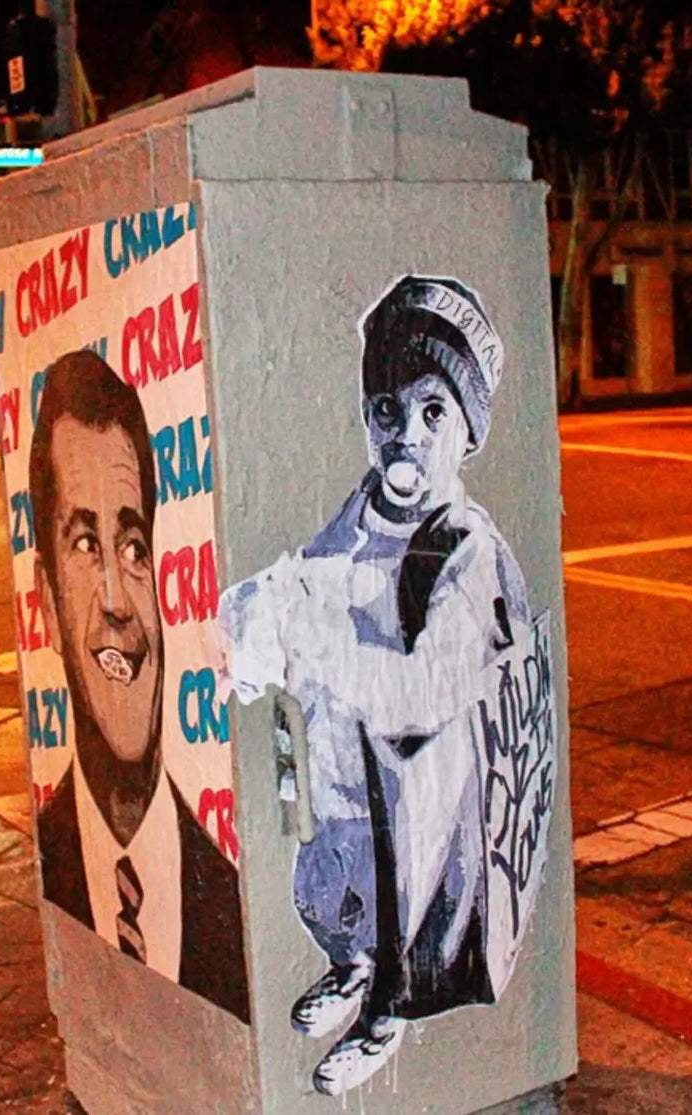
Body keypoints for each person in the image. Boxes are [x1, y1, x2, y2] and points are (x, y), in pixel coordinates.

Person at [221, 276, 534, 1095]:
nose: (407, 439)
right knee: (326, 878)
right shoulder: (365, 510)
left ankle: (388, 1007)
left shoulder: (467, 549)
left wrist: (320, 638)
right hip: (344, 774)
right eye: (387, 412)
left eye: (435, 414)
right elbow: (311, 575)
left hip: (422, 801)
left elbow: (422, 695)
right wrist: (261, 616)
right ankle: (352, 964)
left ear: (468, 431)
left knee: (401, 899)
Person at [30, 349, 248, 1023]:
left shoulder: (235, 898)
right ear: (47, 602)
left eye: (132, 546)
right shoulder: (52, 853)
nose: (118, 600)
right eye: (85, 546)